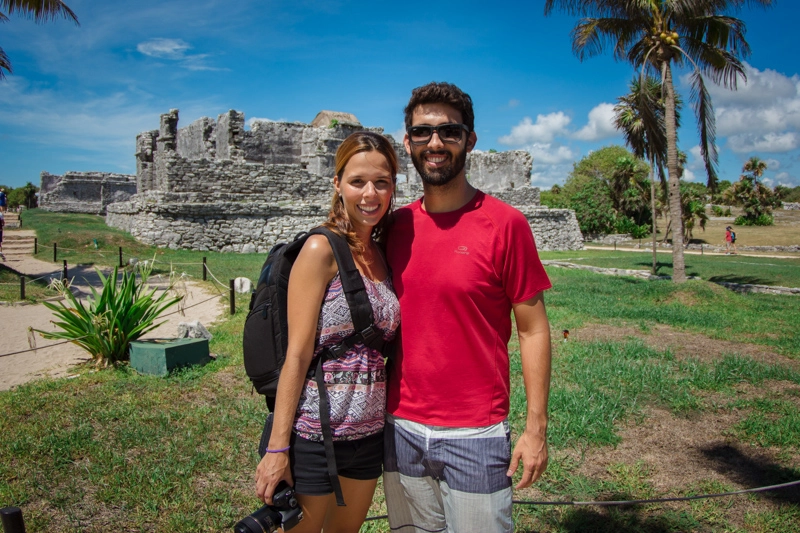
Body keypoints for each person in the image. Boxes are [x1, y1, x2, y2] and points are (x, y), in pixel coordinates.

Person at [383, 82, 553, 532]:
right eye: (422, 133)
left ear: (469, 140)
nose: (435, 143)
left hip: (475, 432)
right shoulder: (393, 227)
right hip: (399, 426)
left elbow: (534, 328)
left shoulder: (506, 225)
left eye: (449, 131)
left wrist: (536, 429)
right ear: (408, 142)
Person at [255, 131, 401, 533]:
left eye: (382, 182)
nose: (370, 193)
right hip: (315, 433)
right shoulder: (322, 249)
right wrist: (277, 448)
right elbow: (297, 356)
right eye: (357, 182)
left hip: (369, 433)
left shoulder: (382, 251)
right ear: (337, 184)